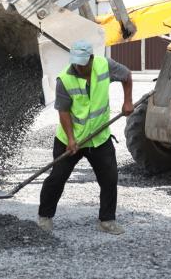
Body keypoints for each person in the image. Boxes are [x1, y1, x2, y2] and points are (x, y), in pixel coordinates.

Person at [37, 40, 134, 234]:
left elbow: (127, 75)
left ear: (91, 58)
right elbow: (63, 112)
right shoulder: (65, 79)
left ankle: (107, 220)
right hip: (70, 139)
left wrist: (128, 102)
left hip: (99, 137)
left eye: (82, 63)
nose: (78, 67)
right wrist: (71, 139)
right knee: (57, 178)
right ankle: (44, 217)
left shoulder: (105, 65)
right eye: (76, 63)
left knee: (109, 178)